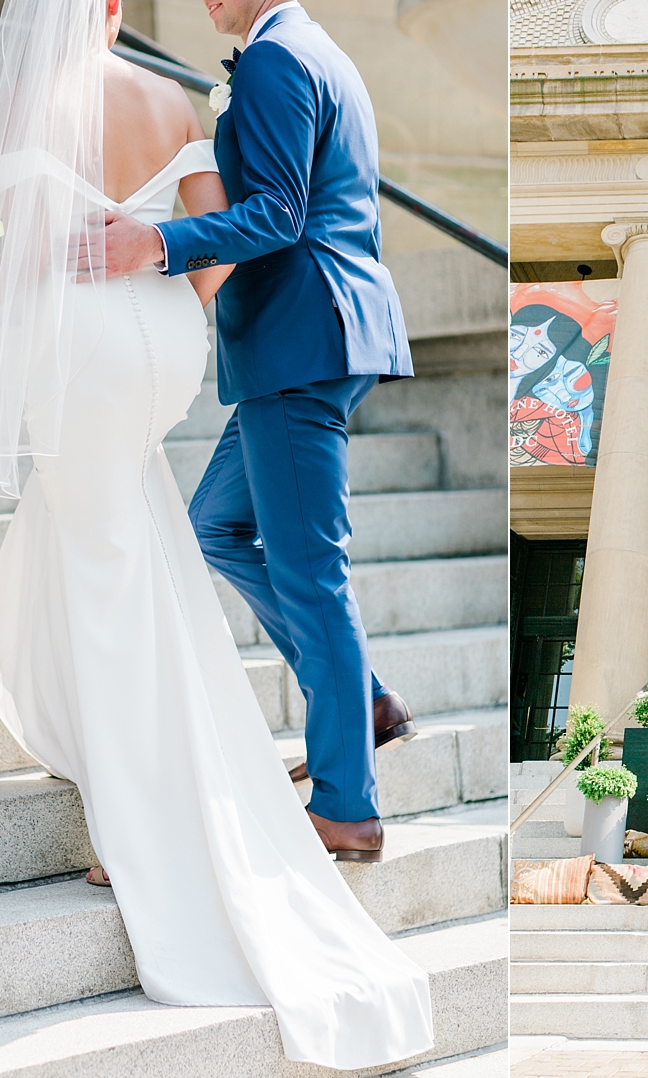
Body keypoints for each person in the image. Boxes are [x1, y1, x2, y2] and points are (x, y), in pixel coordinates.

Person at [0, 0, 433, 1067]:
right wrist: (169, 304)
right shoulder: (180, 86)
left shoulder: (86, 92)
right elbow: (213, 255)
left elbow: (38, 255)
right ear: (111, 11)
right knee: (186, 534)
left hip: (163, 343)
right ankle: (346, 697)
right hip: (176, 343)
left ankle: (257, 803)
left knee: (137, 572)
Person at [91, 0, 416, 861]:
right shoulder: (310, 50)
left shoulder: (276, 59)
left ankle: (347, 806)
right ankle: (365, 701)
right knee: (216, 528)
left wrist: (153, 244)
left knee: (312, 573)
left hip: (300, 342)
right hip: (316, 338)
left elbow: (277, 213)